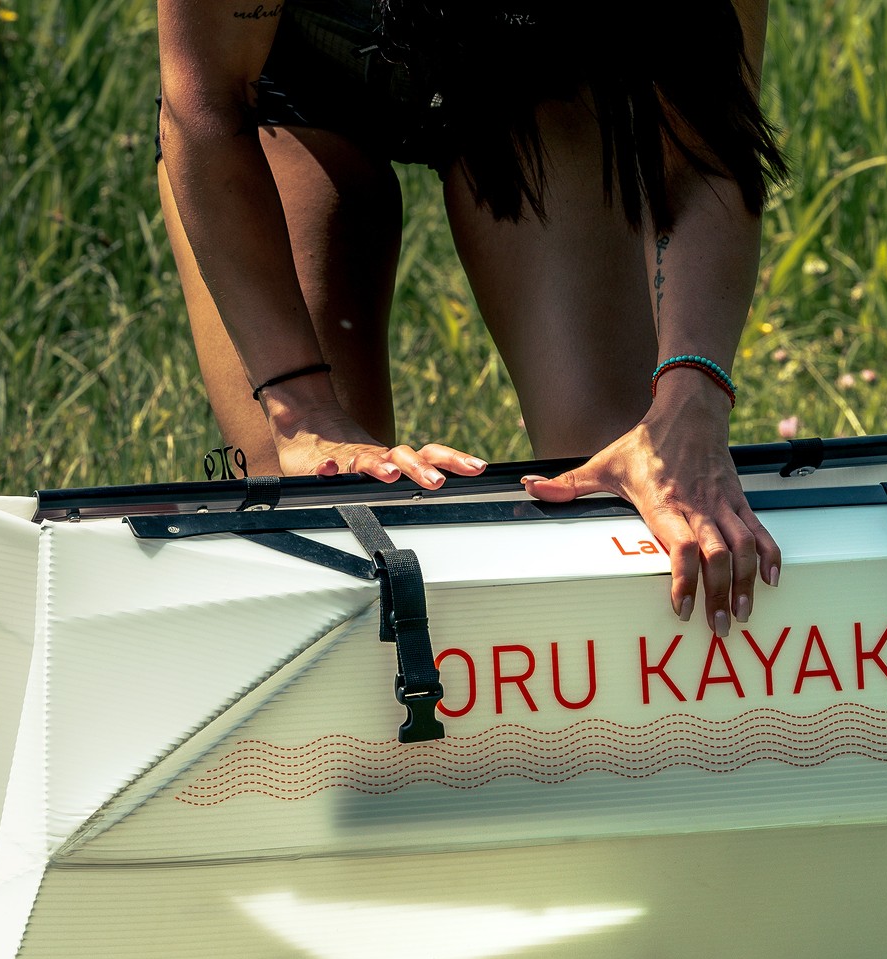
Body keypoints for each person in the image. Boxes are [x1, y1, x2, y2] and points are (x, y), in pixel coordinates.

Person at [156, 0, 785, 634]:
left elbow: (707, 138)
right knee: (316, 517)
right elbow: (204, 107)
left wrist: (690, 404)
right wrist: (305, 416)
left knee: (630, 495)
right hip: (284, 91)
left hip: (533, 75)